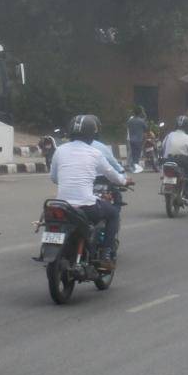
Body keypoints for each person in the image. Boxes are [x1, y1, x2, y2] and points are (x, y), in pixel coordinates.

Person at [49, 114, 131, 271]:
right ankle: (106, 254)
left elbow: (54, 177)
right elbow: (112, 174)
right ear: (91, 134)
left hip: (61, 205)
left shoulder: (59, 150)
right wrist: (124, 180)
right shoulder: (95, 153)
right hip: (86, 205)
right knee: (113, 213)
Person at [161, 115, 188, 201]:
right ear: (187, 126)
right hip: (182, 162)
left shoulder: (169, 136)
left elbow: (163, 147)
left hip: (168, 161)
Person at [126, 107, 147, 174]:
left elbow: (128, 127)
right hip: (139, 140)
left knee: (133, 153)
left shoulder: (130, 121)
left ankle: (133, 166)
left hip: (131, 139)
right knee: (137, 154)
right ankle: (135, 167)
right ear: (140, 113)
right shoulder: (141, 121)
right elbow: (146, 128)